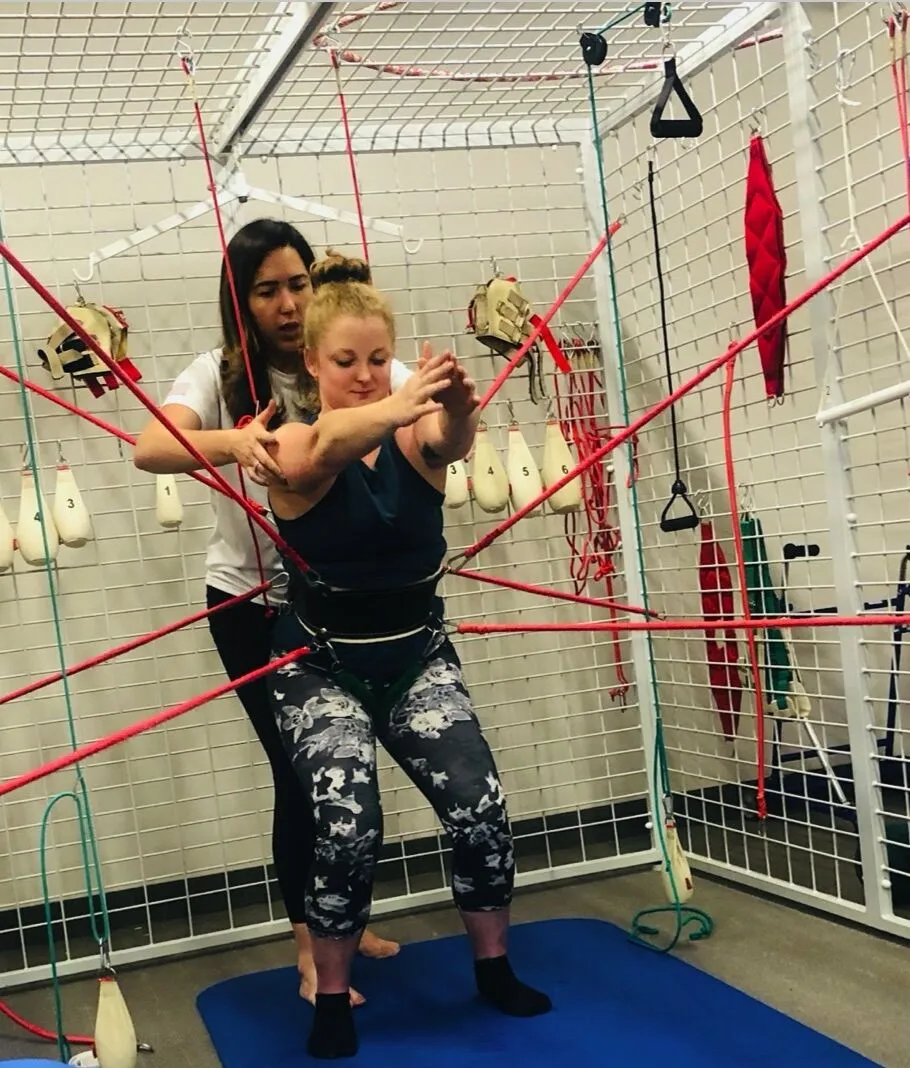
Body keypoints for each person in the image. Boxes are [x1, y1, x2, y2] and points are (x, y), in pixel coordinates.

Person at [262, 250, 552, 1060]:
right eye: (345, 361)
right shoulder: (286, 445)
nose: (363, 375)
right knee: (349, 824)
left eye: (377, 360)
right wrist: (402, 401)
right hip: (319, 665)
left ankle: (493, 968)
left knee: (479, 803)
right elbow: (319, 451)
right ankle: (330, 998)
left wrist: (458, 408)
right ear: (313, 363)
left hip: (416, 656)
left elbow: (446, 445)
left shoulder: (411, 427)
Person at [133, 219, 406, 1006]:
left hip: (343, 601)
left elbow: (419, 404)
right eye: (267, 290)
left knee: (346, 769)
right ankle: (309, 951)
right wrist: (231, 442)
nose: (288, 304)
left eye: (299, 284)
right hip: (253, 605)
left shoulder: (342, 360)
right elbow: (151, 448)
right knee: (300, 772)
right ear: (241, 300)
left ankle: (343, 927)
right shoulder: (217, 374)